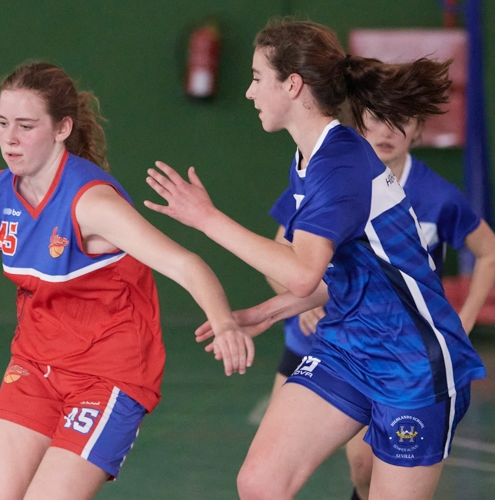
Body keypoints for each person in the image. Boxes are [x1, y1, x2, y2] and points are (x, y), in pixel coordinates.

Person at [0, 62, 255, 500]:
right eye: (2, 123)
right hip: (35, 367)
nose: (9, 138)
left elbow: (186, 264)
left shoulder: (91, 203)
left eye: (26, 125)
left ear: (61, 129)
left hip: (108, 375)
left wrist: (224, 323)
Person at [144, 18, 486, 500]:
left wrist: (207, 218)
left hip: (411, 363)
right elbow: (346, 275)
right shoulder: (313, 158)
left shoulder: (340, 164)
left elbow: (303, 274)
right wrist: (266, 312)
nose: (249, 92)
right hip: (347, 346)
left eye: (257, 77)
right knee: (260, 483)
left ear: (292, 84)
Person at [342, 111, 495, 500]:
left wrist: (465, 320)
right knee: (361, 464)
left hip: (414, 355)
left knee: (387, 468)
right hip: (354, 342)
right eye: (377, 119)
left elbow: (489, 251)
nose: (388, 131)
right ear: (358, 124)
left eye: (402, 122)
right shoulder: (341, 181)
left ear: (418, 131)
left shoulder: (437, 196)